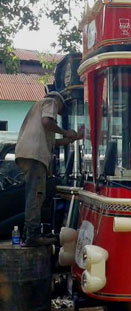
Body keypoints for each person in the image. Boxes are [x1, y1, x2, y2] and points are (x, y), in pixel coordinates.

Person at [14, 91, 84, 247]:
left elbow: (54, 143)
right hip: (35, 155)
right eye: (60, 110)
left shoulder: (37, 113)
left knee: (34, 194)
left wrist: (75, 137)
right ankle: (33, 235)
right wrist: (65, 131)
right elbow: (47, 121)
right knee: (36, 195)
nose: (58, 113)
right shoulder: (50, 102)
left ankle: (29, 233)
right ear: (59, 101)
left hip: (26, 153)